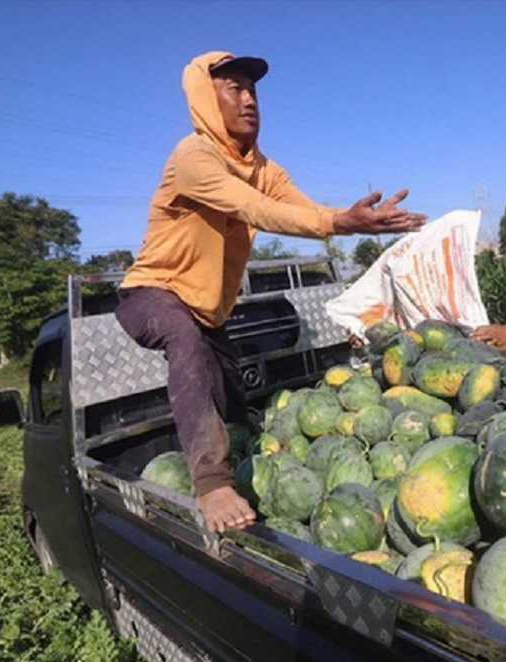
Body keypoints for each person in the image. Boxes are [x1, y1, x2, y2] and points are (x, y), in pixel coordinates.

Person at [115, 51, 426, 533]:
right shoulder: (193, 157)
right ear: (204, 96)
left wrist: (355, 223)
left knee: (235, 403)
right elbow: (254, 209)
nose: (248, 99)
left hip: (207, 315)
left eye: (252, 90)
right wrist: (338, 220)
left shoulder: (264, 167)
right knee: (182, 337)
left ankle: (243, 473)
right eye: (233, 88)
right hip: (151, 295)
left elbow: (305, 212)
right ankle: (212, 484)